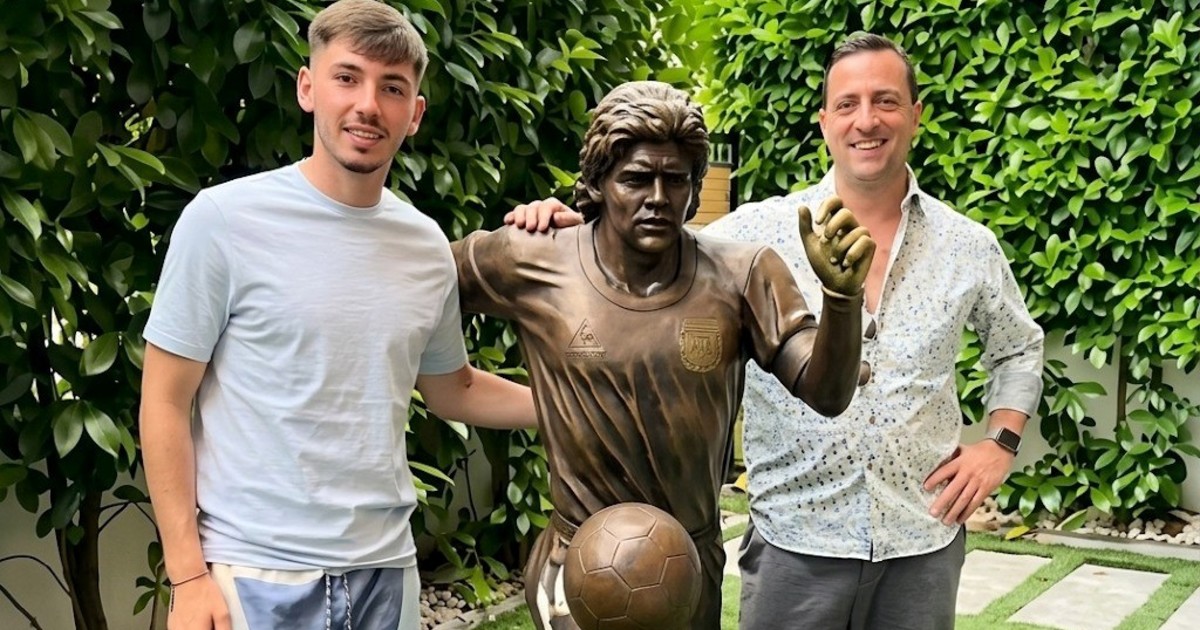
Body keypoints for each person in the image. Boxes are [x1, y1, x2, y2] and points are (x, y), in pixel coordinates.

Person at [139, 2, 540, 629]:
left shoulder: (426, 246)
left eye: (392, 88)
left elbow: (453, 389)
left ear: (415, 114)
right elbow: (164, 400)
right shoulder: (222, 221)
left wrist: (577, 404)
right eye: (347, 77)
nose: (367, 105)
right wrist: (188, 577)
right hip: (255, 577)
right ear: (308, 88)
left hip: (387, 575)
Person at [452, 80, 875, 629]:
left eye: (675, 180)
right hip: (575, 563)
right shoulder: (533, 259)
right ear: (597, 183)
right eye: (635, 179)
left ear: (695, 189)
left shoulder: (742, 273)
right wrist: (443, 383)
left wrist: (841, 301)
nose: (657, 197)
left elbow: (827, 394)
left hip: (686, 564)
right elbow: (415, 283)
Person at [701, 33, 1045, 629]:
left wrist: (999, 445)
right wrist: (561, 222)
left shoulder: (967, 245)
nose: (866, 121)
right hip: (794, 542)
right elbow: (647, 255)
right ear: (824, 123)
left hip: (922, 540)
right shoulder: (753, 234)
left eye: (886, 101)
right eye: (847, 104)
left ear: (915, 114)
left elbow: (1017, 347)